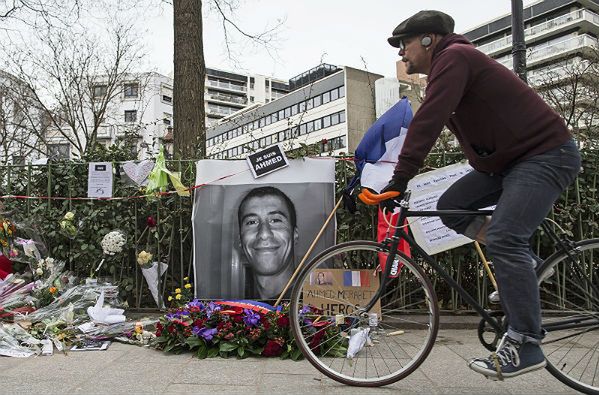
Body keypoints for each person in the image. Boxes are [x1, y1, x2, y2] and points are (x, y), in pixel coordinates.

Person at [381, 10, 581, 380]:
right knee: (451, 207)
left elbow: (430, 119)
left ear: (428, 39)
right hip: (507, 162)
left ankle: (525, 343)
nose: (401, 55)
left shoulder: (455, 57)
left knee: (506, 237)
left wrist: (401, 176)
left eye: (404, 44)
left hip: (544, 154)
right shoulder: (450, 65)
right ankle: (530, 268)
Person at [237, 186, 298, 299]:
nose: (264, 234)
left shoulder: (317, 305)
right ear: (240, 239)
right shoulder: (234, 310)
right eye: (252, 222)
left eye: (275, 220)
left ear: (294, 234)